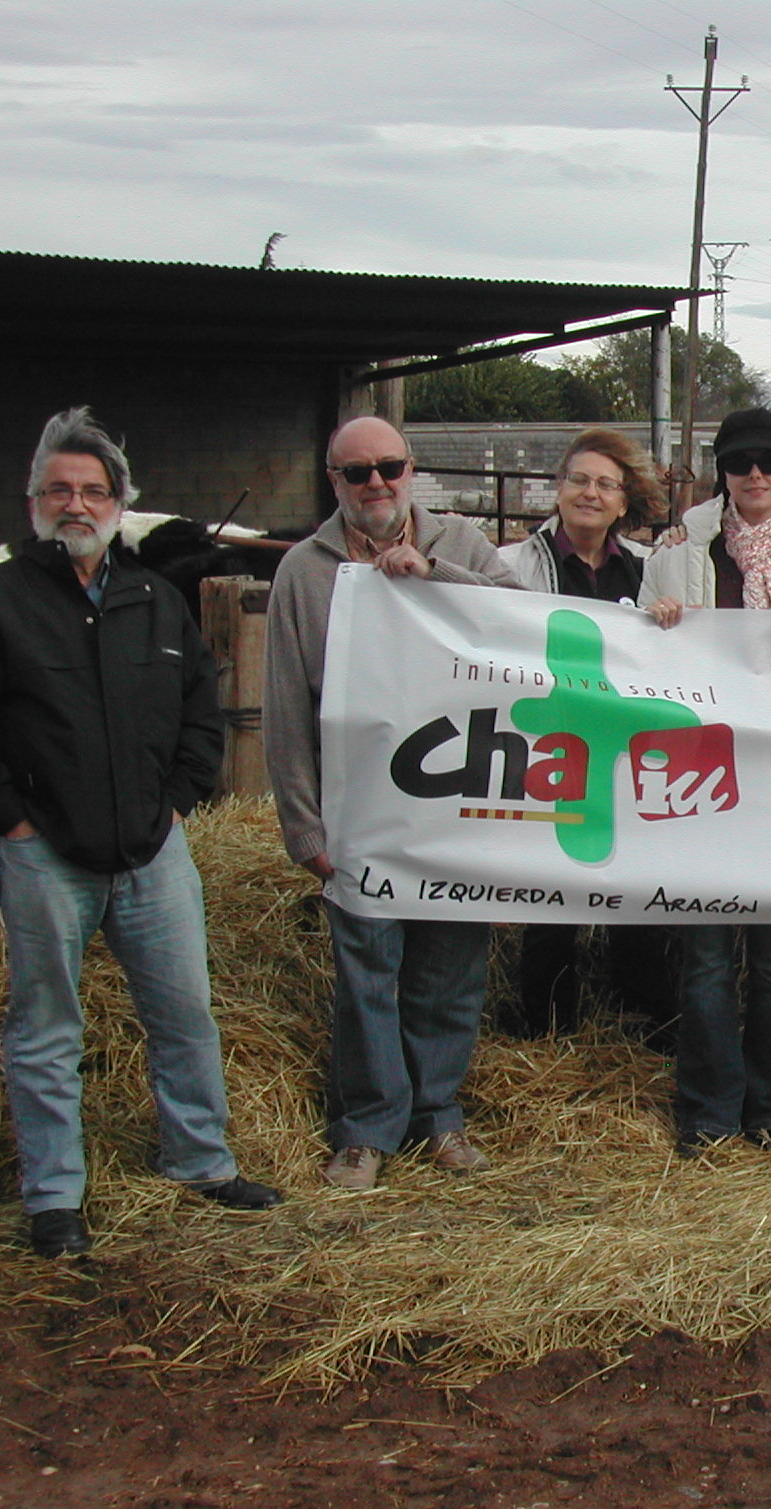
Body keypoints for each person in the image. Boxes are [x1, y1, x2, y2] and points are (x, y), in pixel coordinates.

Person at [0, 408, 278, 1257]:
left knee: (185, 1013)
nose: (76, 504)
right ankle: (55, 1198)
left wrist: (179, 802)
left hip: (152, 852)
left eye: (93, 490)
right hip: (43, 855)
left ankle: (200, 1161)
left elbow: (202, 708)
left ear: (121, 503)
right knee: (46, 1026)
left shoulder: (156, 602)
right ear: (32, 502)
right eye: (59, 489)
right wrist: (11, 823)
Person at [265, 415, 521, 1190]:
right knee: (368, 970)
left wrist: (438, 579)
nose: (376, 483)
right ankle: (366, 1127)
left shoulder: (463, 545)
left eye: (390, 467)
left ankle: (438, 1116)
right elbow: (283, 702)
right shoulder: (305, 572)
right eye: (356, 472)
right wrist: (302, 823)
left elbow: (524, 621)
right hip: (361, 806)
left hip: (456, 800)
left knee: (450, 967)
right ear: (333, 482)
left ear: (410, 471)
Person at [643, 407, 771, 1155]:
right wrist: (658, 618)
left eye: (770, 461)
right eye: (740, 463)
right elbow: (636, 648)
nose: (756, 475)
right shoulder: (679, 552)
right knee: (703, 957)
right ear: (722, 474)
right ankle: (707, 1112)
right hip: (702, 778)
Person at [502, 427, 677, 1040]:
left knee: (634, 884)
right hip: (550, 749)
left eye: (606, 484)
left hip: (624, 754)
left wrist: (671, 618)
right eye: (578, 479)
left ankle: (641, 1013)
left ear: (624, 502)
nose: (590, 493)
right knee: (551, 893)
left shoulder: (648, 571)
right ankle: (549, 1029)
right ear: (558, 489)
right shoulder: (514, 568)